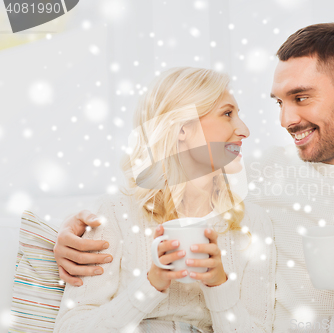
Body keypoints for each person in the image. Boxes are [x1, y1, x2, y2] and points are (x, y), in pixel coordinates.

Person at [55, 23, 334, 333]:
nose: (286, 119)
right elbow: (161, 179)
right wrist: (68, 233)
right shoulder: (258, 176)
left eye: (301, 98)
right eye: (278, 102)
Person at [53, 67, 276, 332]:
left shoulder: (252, 224)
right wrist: (150, 285)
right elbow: (70, 328)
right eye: (227, 114)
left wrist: (218, 285)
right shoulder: (115, 213)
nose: (244, 130)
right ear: (182, 129)